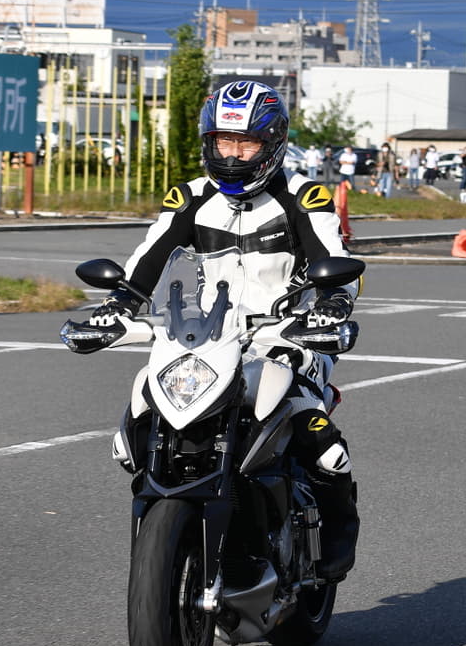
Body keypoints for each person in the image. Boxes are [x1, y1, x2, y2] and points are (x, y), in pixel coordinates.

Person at [87, 79, 361, 582]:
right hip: (206, 335)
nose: (233, 156)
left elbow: (335, 260)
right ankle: (172, 532)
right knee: (143, 414)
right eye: (223, 141)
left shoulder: (305, 197)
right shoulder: (191, 197)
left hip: (289, 335)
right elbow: (147, 258)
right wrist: (117, 303)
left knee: (314, 434)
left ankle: (336, 534)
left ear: (273, 142)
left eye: (246, 143)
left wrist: (332, 304)